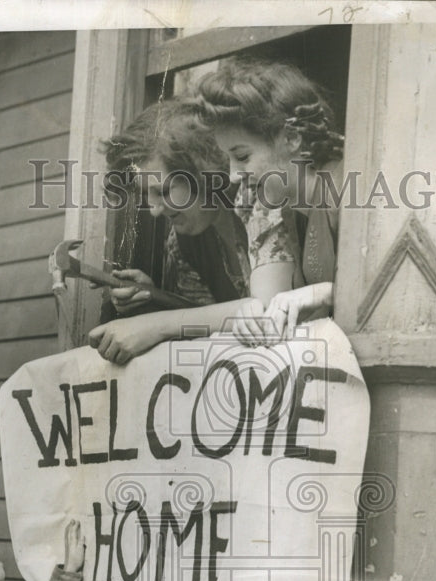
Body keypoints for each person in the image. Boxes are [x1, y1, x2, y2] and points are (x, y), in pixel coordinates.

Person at [88, 99, 292, 365]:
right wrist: (155, 299)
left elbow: (267, 310)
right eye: (145, 194)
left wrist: (154, 324)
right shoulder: (182, 238)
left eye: (162, 191)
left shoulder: (258, 196)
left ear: (202, 173)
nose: (154, 210)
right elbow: (204, 322)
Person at [197, 58, 346, 346]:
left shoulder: (345, 187)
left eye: (242, 157)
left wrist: (323, 292)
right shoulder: (300, 209)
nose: (233, 176)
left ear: (291, 138)